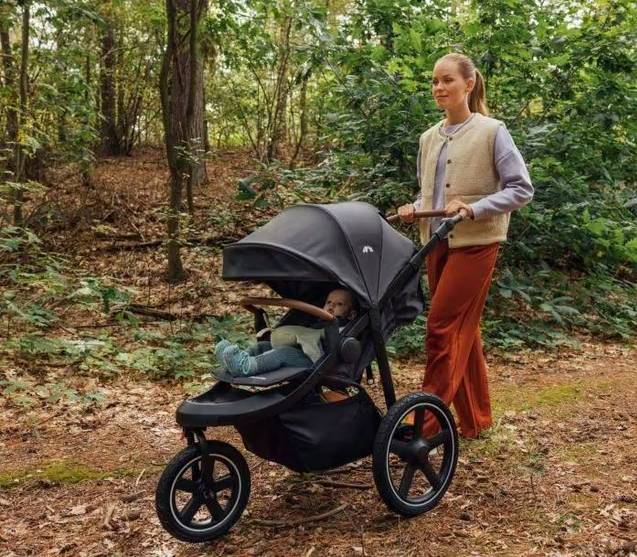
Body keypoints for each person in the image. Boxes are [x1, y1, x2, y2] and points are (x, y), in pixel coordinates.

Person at [397, 52, 533, 439]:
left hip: (476, 243)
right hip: (436, 244)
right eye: (434, 81)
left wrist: (474, 209)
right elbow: (431, 195)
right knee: (463, 331)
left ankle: (426, 421)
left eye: (447, 80)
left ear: (468, 84)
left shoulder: (492, 131)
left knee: (441, 327)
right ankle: (476, 420)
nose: (439, 87)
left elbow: (521, 189)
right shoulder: (428, 138)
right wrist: (415, 208)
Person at [215, 288, 357, 377]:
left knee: (282, 353)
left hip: (316, 361)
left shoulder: (342, 329)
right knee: (263, 346)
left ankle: (245, 367)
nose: (331, 306)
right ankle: (235, 361)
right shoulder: (317, 322)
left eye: (339, 304)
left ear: (351, 315)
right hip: (300, 351)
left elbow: (332, 347)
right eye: (329, 302)